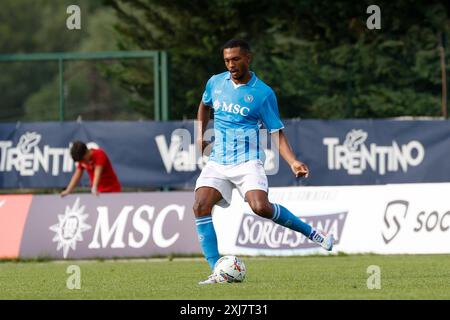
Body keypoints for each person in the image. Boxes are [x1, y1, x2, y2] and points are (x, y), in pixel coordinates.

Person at [194, 39, 334, 285]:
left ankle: (312, 233)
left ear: (248, 58)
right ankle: (216, 269)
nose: (231, 65)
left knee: (260, 208)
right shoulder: (215, 82)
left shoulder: (263, 93)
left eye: (235, 59)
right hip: (218, 162)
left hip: (247, 162)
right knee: (200, 206)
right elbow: (204, 106)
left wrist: (292, 161)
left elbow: (276, 132)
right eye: (227, 60)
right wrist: (200, 136)